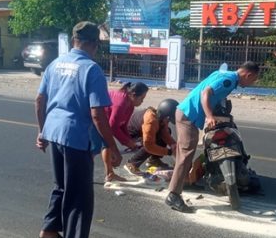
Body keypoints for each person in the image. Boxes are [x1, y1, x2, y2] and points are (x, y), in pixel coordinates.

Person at [35, 21, 121, 238]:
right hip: (75, 136)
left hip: (54, 131)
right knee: (80, 192)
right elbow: (97, 114)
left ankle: (50, 230)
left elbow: (39, 101)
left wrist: (42, 131)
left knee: (62, 185)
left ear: (74, 40)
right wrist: (112, 147)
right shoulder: (91, 70)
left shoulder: (55, 64)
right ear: (94, 44)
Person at [165, 61, 260, 213]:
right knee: (185, 155)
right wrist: (209, 116)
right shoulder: (229, 81)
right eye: (253, 80)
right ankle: (173, 195)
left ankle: (179, 186)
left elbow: (212, 93)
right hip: (187, 116)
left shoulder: (224, 74)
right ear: (248, 75)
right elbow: (206, 93)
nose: (251, 83)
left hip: (187, 113)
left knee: (185, 154)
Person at [98, 81, 149, 182]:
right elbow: (112, 126)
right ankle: (108, 173)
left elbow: (123, 125)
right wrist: (126, 142)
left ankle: (109, 173)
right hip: (97, 119)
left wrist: (130, 141)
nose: (142, 102)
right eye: (142, 98)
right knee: (103, 145)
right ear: (134, 95)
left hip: (105, 121)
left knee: (102, 146)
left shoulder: (130, 104)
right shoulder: (121, 102)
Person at [124, 98, 178, 176]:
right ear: (166, 117)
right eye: (169, 120)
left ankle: (153, 160)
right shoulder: (151, 121)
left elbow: (165, 133)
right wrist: (169, 152)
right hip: (132, 136)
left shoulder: (161, 117)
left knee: (166, 131)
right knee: (151, 142)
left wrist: (173, 145)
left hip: (143, 133)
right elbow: (148, 145)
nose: (168, 122)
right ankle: (132, 164)